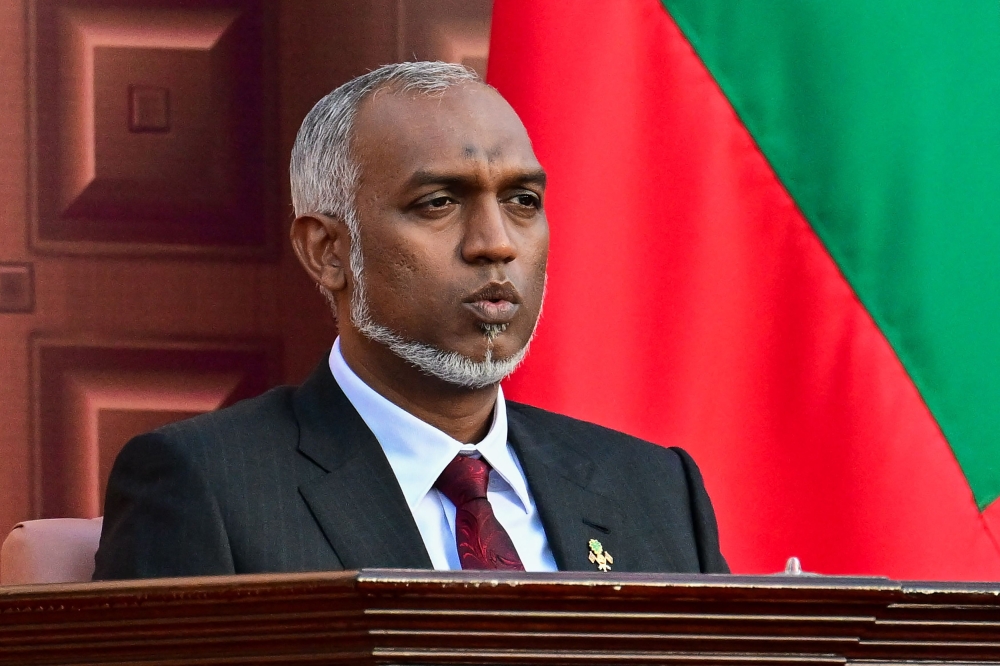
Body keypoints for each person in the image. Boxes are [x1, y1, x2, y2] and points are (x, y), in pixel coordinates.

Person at [93, 61, 728, 579]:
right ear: (329, 252)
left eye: (522, 201)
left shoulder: (655, 489)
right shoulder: (207, 487)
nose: (495, 242)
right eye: (439, 202)